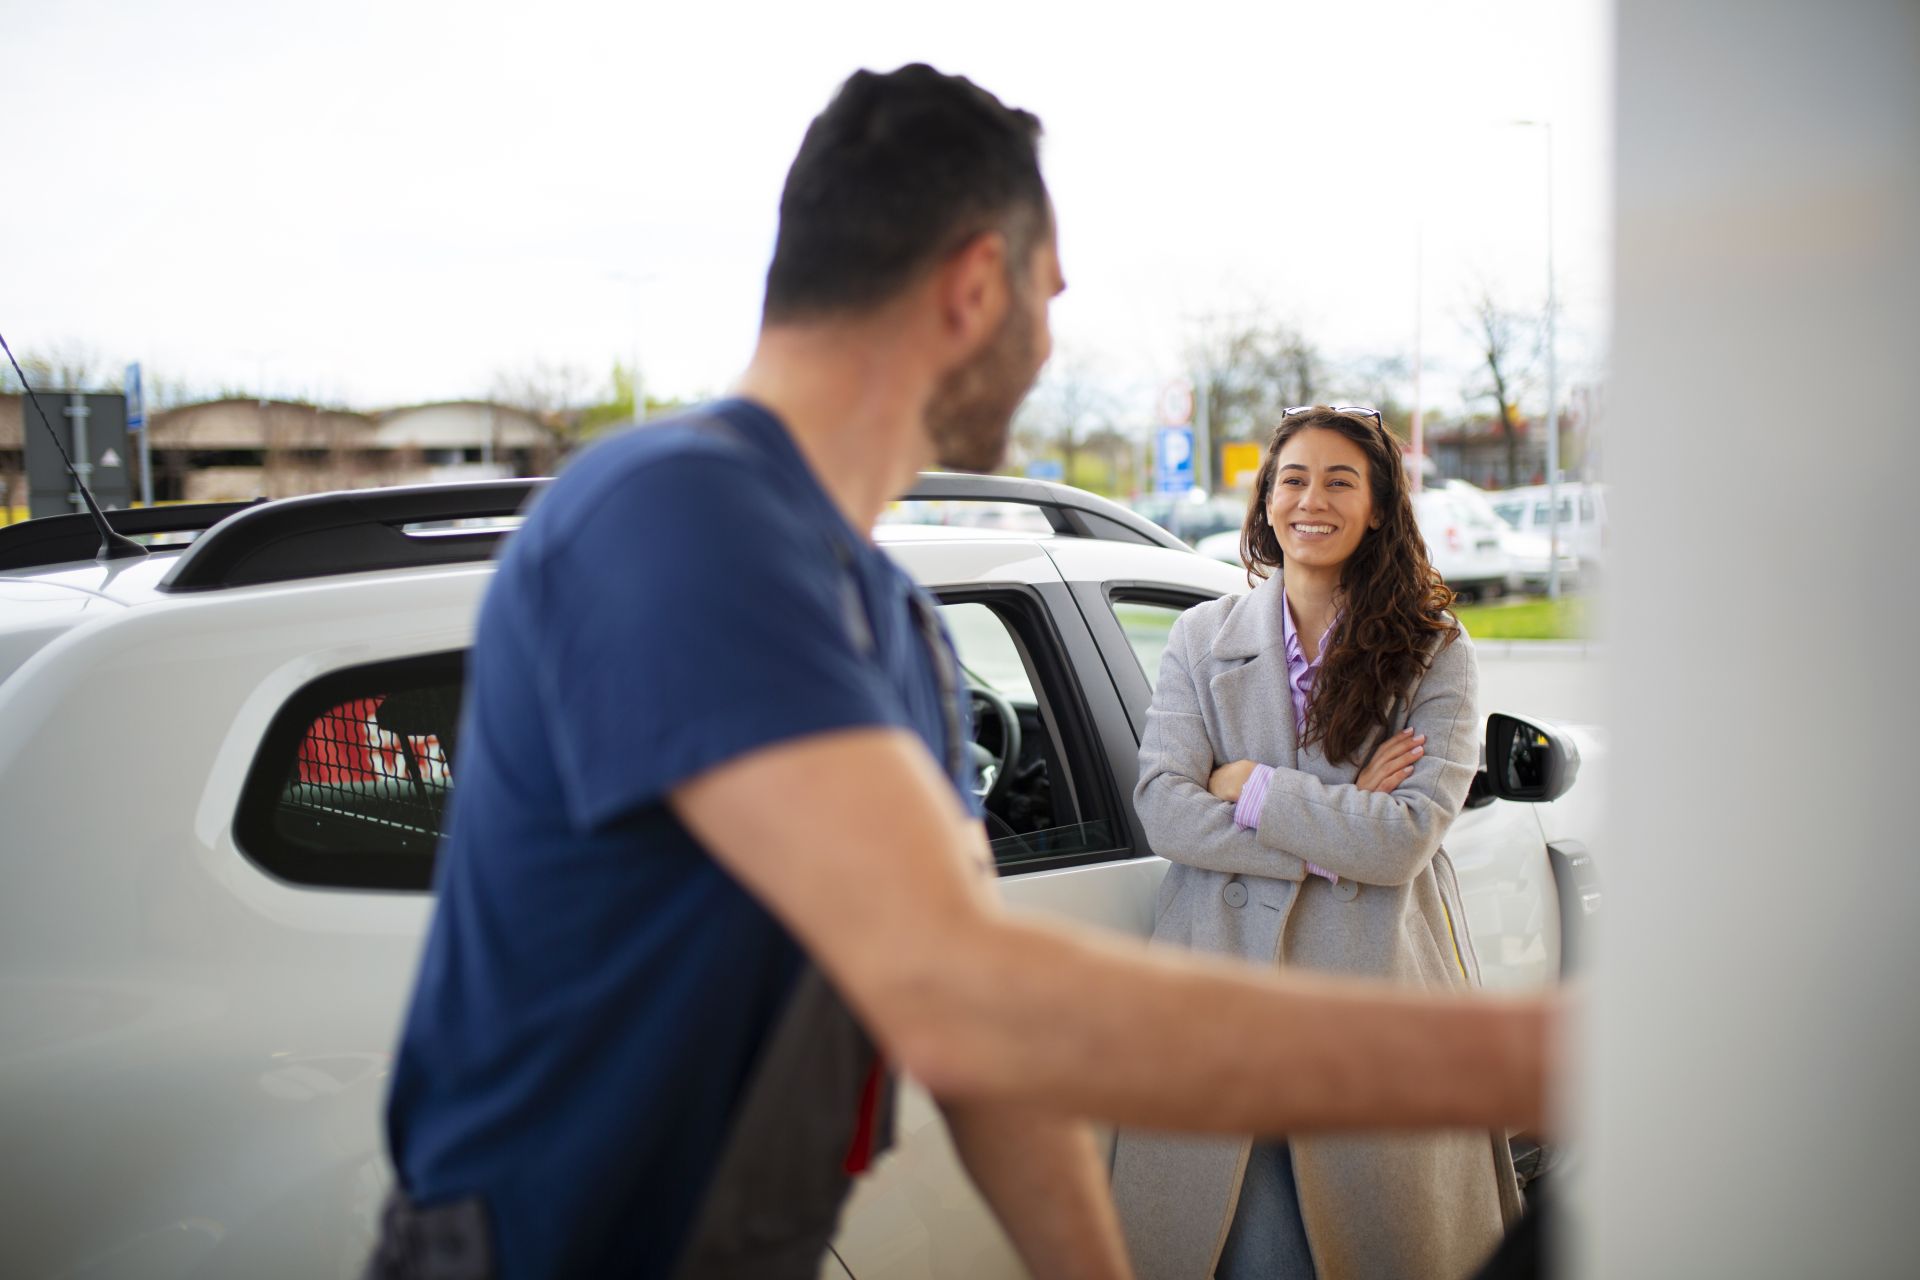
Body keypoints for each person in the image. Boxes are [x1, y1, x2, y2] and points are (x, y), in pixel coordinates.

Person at [367, 67, 1552, 1280]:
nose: (1047, 344)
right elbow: (961, 980)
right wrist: (1519, 1060)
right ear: (977, 285)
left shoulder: (888, 617)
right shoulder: (685, 515)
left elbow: (986, 1055)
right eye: (1046, 299)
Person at [1111, 404, 1522, 1279]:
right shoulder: (1200, 636)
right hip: (1223, 990)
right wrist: (1341, 824)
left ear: (1378, 508)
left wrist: (1252, 785)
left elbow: (1405, 841)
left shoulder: (1434, 650)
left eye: (1341, 481)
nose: (1312, 500)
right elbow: (1165, 809)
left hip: (1371, 996)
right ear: (1264, 501)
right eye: (1293, 479)